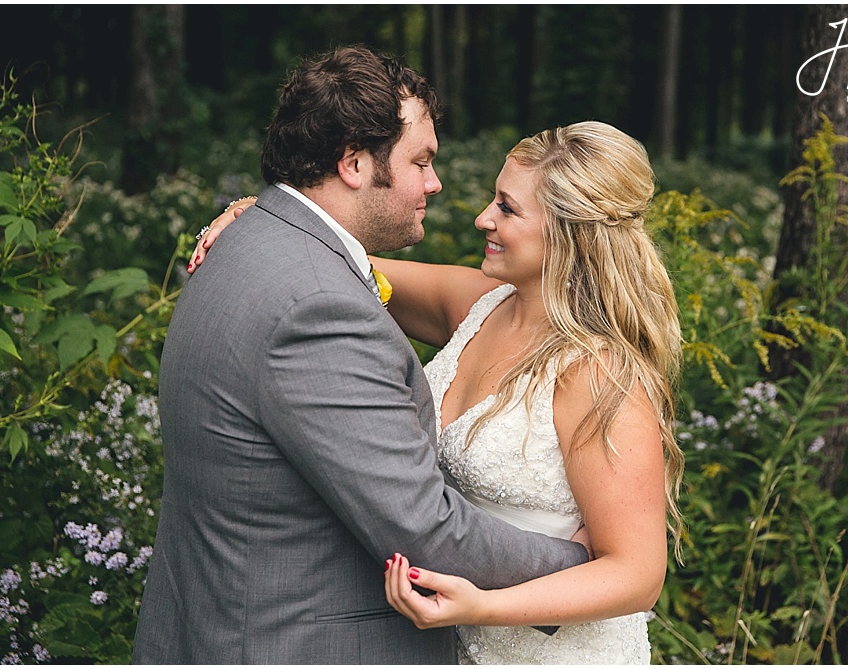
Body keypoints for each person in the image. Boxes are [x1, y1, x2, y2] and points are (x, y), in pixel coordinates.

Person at [131, 46, 590, 665]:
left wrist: (259, 208)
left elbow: (345, 267)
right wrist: (580, 564)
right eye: (420, 162)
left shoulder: (251, 244)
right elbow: (423, 530)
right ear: (353, 163)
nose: (437, 183)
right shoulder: (318, 310)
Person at [192, 120, 684, 664]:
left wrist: (480, 607)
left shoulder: (597, 373)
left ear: (570, 234)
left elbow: (637, 575)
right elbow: (331, 260)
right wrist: (265, 220)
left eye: (508, 208)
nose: (483, 218)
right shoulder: (479, 303)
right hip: (446, 638)